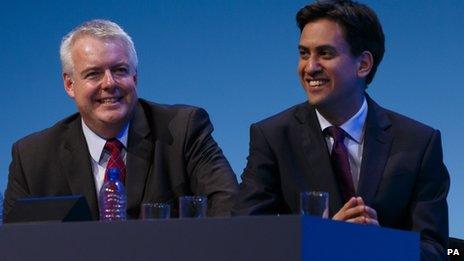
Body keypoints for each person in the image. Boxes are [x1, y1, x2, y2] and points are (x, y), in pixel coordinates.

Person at [233, 0, 449, 259]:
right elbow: (244, 240)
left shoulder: (419, 143)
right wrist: (325, 239)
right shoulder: (273, 137)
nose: (309, 67)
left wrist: (381, 244)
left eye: (325, 54)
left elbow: (435, 251)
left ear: (363, 64)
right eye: (304, 53)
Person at [4, 19, 238, 220]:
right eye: (93, 73)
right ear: (69, 84)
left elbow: (230, 207)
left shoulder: (183, 130)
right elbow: (15, 242)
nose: (109, 83)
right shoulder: (32, 158)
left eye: (119, 70)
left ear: (134, 77)